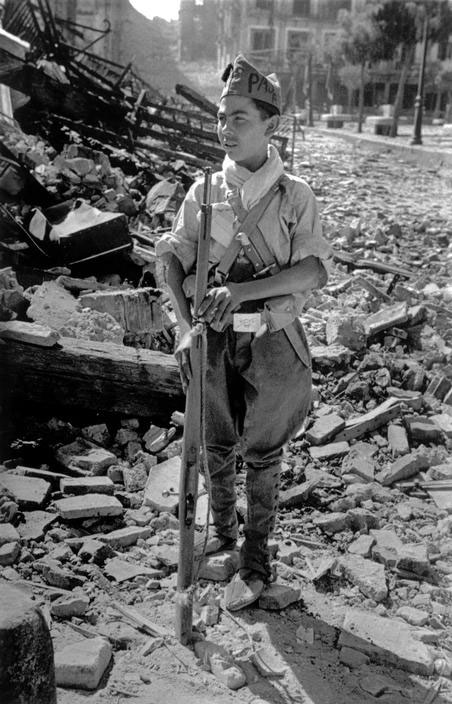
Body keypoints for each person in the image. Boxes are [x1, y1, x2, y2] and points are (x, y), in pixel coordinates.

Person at [156, 55, 331, 610]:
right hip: (209, 340)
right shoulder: (203, 190)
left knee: (263, 452)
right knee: (216, 442)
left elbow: (313, 271)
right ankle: (223, 539)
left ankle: (256, 560)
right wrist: (185, 328)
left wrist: (241, 293)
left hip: (271, 338)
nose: (224, 129)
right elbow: (171, 262)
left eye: (239, 118)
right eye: (221, 117)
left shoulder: (294, 195)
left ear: (269, 124)